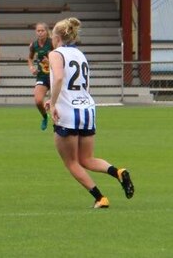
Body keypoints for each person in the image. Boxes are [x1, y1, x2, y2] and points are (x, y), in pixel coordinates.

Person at [44, 17, 134, 209]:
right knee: (87, 159)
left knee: (72, 162)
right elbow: (82, 86)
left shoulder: (55, 54)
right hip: (87, 109)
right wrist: (53, 100)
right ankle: (118, 172)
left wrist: (53, 104)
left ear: (57, 38)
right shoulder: (80, 55)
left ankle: (100, 198)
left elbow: (59, 78)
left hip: (68, 113)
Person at [28, 22, 53, 130]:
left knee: (56, 102)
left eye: (42, 31)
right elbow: (29, 58)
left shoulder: (52, 43)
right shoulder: (34, 45)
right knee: (38, 101)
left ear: (46, 32)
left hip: (55, 76)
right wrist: (32, 67)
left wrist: (50, 61)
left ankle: (61, 124)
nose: (40, 33)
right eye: (38, 31)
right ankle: (44, 116)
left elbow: (61, 59)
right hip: (42, 76)